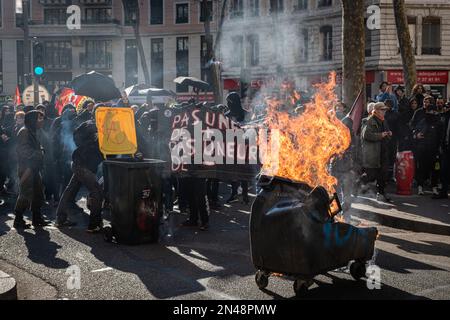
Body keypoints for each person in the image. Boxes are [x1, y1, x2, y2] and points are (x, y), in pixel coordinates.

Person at [56, 120, 104, 232]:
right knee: (96, 191)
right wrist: (95, 133)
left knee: (70, 190)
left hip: (82, 164)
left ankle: (60, 219)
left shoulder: (109, 130)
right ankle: (94, 225)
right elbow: (78, 137)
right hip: (82, 164)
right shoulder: (91, 125)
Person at [13, 110, 50, 228]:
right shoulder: (24, 131)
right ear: (32, 120)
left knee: (38, 193)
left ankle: (37, 218)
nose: (41, 121)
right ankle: (18, 220)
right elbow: (23, 150)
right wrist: (38, 153)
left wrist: (40, 150)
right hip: (26, 168)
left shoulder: (33, 131)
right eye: (39, 118)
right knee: (25, 193)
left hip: (33, 167)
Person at [359, 102, 393, 202]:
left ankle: (381, 193)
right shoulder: (369, 121)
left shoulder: (384, 121)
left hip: (383, 152)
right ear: (377, 111)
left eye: (385, 110)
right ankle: (355, 186)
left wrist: (389, 134)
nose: (384, 112)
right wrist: (380, 135)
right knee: (371, 175)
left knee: (383, 174)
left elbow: (386, 133)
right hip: (373, 153)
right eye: (382, 110)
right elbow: (366, 135)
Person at [412, 104, 443, 196]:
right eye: (429, 111)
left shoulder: (439, 123)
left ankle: (434, 187)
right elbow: (414, 131)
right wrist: (416, 135)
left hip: (434, 150)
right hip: (422, 149)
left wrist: (439, 148)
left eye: (433, 111)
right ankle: (420, 187)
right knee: (421, 168)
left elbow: (441, 137)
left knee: (435, 169)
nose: (431, 113)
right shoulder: (422, 121)